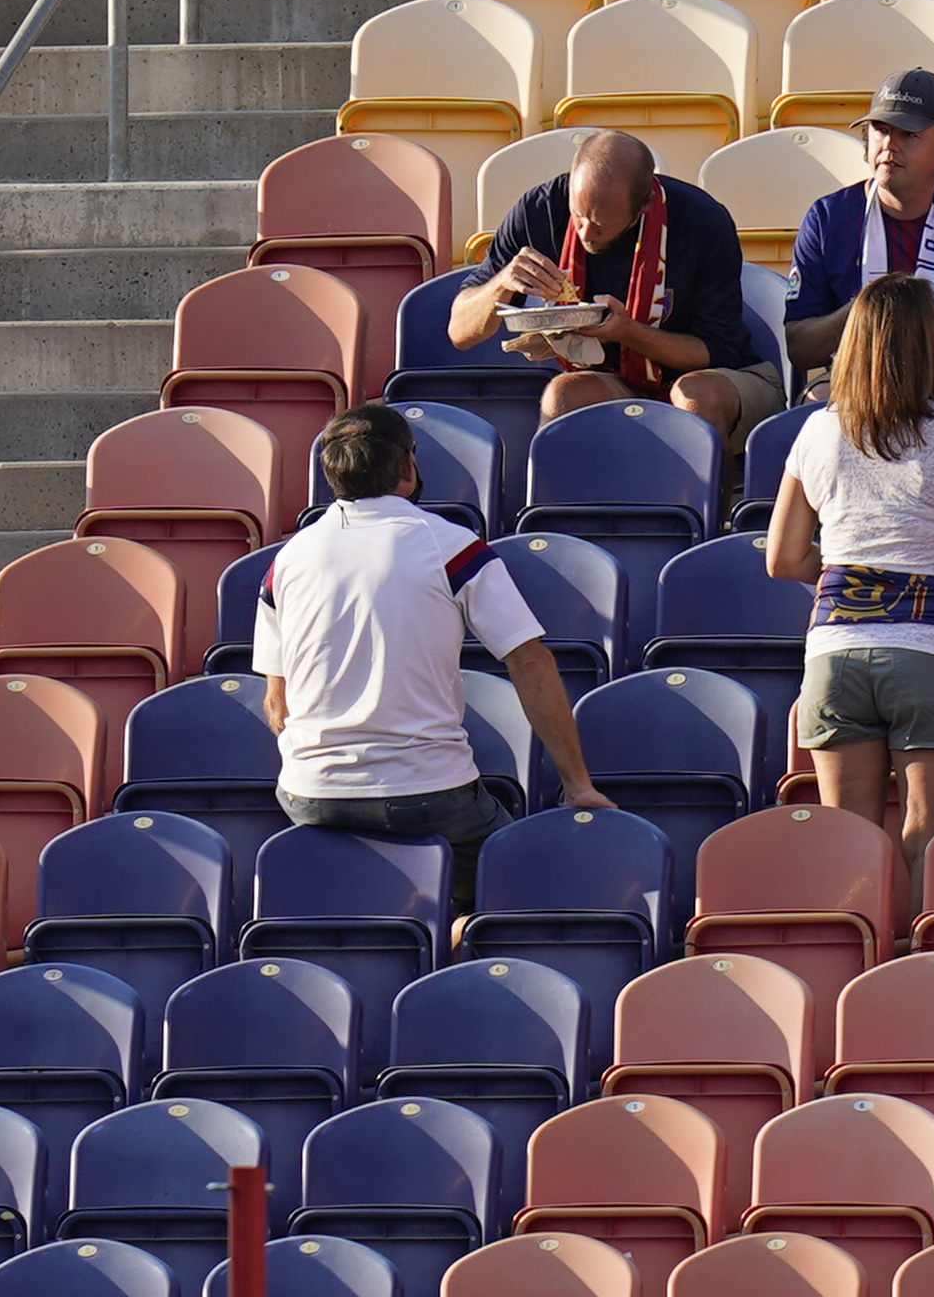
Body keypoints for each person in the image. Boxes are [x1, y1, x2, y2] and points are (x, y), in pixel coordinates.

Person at [257, 404, 610, 872]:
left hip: (307, 795)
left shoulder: (286, 560)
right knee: (520, 875)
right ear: (407, 466)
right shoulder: (451, 545)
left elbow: (276, 706)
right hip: (425, 795)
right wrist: (578, 783)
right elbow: (529, 662)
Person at [764, 274, 934, 886]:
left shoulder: (817, 429)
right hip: (929, 648)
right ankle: (922, 970)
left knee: (851, 842)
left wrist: (854, 577)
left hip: (836, 650)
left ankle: (858, 973)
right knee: (929, 833)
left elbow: (784, 558)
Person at [447, 127, 781, 443]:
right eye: (578, 216)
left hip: (717, 376)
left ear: (645, 204)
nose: (585, 233)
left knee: (695, 396)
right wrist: (502, 284)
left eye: (601, 224)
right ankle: (562, 506)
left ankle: (702, 505)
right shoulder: (540, 209)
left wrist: (630, 333)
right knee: (563, 395)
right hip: (611, 376)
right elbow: (459, 332)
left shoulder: (702, 221)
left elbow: (715, 352)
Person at [784, 67, 934, 412]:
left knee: (906, 400)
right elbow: (799, 348)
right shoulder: (829, 217)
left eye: (909, 134)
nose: (889, 145)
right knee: (815, 404)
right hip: (855, 376)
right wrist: (863, 311)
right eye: (880, 129)